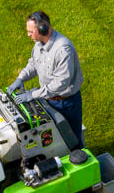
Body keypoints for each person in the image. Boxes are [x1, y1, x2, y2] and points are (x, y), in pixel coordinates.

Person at [10, 10, 84, 148]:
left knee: (72, 141)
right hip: (47, 99)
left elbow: (60, 84)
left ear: (43, 29)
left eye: (31, 31)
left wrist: (31, 95)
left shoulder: (63, 49)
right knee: (54, 142)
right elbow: (33, 64)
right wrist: (20, 79)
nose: (28, 35)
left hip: (65, 103)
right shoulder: (39, 44)